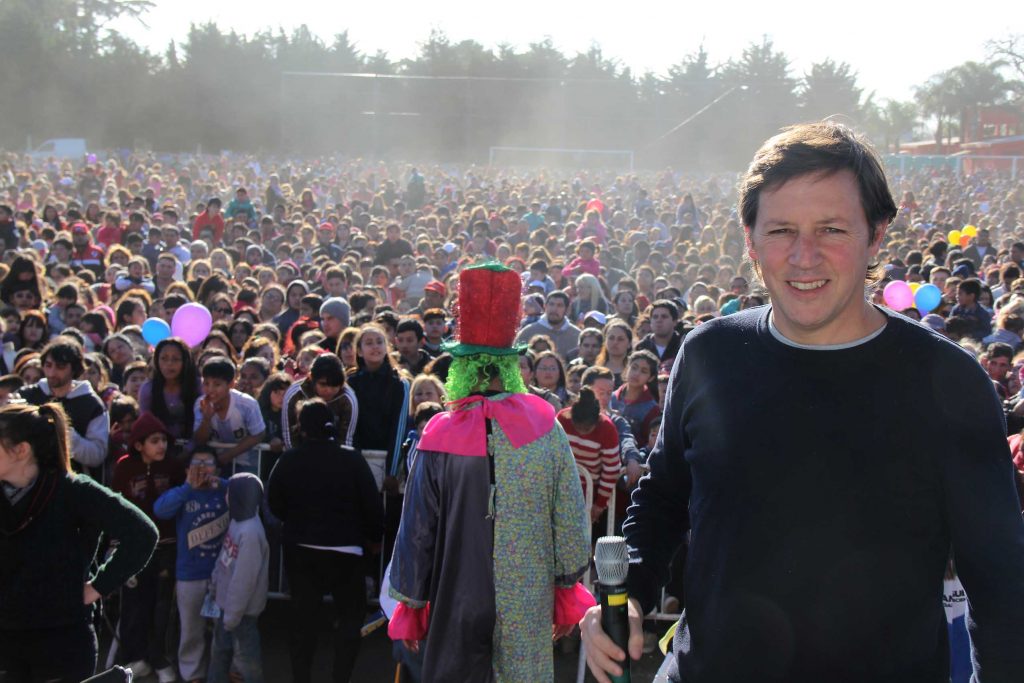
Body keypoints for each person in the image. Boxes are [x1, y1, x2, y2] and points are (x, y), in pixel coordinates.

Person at [581, 121, 1024, 682]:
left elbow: (1001, 583)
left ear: (877, 235)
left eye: (832, 229)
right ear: (750, 240)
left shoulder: (948, 383)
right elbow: (664, 496)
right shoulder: (710, 355)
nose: (804, 255)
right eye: (782, 230)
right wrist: (630, 594)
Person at [388, 262, 593, 681]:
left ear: (460, 369)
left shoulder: (437, 433)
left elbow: (418, 528)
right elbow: (570, 517)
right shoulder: (545, 427)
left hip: (458, 592)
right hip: (528, 594)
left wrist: (412, 600)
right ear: (511, 368)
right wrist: (566, 586)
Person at [0, 402, 158, 683]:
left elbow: (142, 533)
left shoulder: (73, 491)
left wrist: (97, 587)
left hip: (61, 640)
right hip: (7, 641)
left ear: (21, 450)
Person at [267, 398, 384, 683]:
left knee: (303, 621)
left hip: (301, 548)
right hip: (347, 549)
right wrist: (374, 536)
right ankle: (340, 677)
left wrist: (294, 522)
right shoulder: (352, 458)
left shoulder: (290, 459)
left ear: (301, 428)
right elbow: (372, 504)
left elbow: (274, 502)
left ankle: (301, 678)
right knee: (350, 617)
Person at [153, 448, 229, 683]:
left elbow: (251, 495)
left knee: (224, 628)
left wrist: (222, 483)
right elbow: (160, 510)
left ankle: (222, 672)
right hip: (190, 574)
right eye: (197, 464)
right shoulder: (182, 494)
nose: (203, 469)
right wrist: (188, 487)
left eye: (209, 464)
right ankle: (192, 675)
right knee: (191, 630)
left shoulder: (226, 491)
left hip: (222, 574)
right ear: (187, 470)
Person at [207, 473, 269, 683]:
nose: (226, 495)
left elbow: (244, 581)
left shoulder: (250, 533)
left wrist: (232, 617)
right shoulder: (237, 521)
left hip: (241, 614)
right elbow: (224, 558)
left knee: (247, 663)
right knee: (219, 655)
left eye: (229, 492)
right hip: (226, 608)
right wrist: (214, 585)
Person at [16, 338, 109, 477]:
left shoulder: (92, 405)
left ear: (74, 369)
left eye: (60, 367)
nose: (52, 372)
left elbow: (96, 456)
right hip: (27, 480)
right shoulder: (26, 395)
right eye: (48, 365)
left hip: (70, 485)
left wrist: (64, 433)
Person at [194, 357, 267, 474]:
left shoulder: (247, 404)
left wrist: (228, 455)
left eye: (217, 384)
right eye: (206, 383)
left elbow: (259, 434)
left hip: (247, 466)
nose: (210, 389)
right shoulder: (200, 404)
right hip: (213, 466)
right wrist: (206, 419)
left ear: (231, 384)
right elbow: (199, 439)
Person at [281, 353, 357, 449]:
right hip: (300, 455)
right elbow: (289, 435)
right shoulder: (295, 393)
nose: (329, 390)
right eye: (323, 384)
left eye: (335, 385)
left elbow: (345, 439)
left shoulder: (348, 398)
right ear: (311, 378)